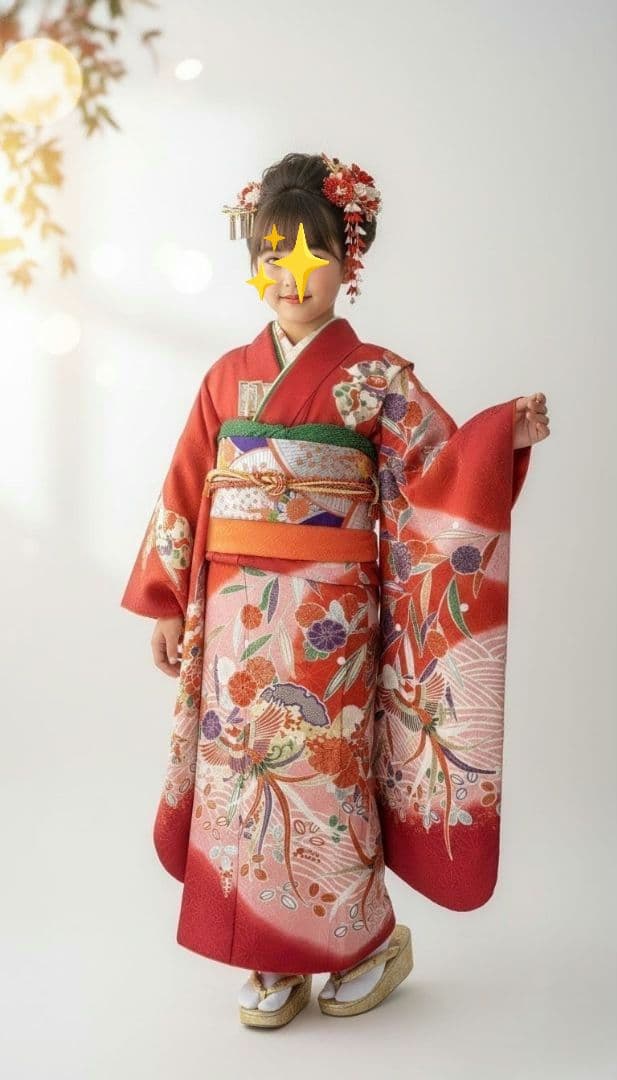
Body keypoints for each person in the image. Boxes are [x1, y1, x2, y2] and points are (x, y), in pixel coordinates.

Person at [120, 151, 550, 1028]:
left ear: (348, 260)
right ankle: (267, 951)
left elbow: (434, 473)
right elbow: (186, 486)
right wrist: (166, 599)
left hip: (331, 619)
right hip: (235, 620)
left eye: (311, 254)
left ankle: (363, 943)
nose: (290, 275)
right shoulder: (226, 376)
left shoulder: (373, 377)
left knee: (323, 773)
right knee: (241, 777)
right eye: (270, 255)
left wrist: (497, 437)